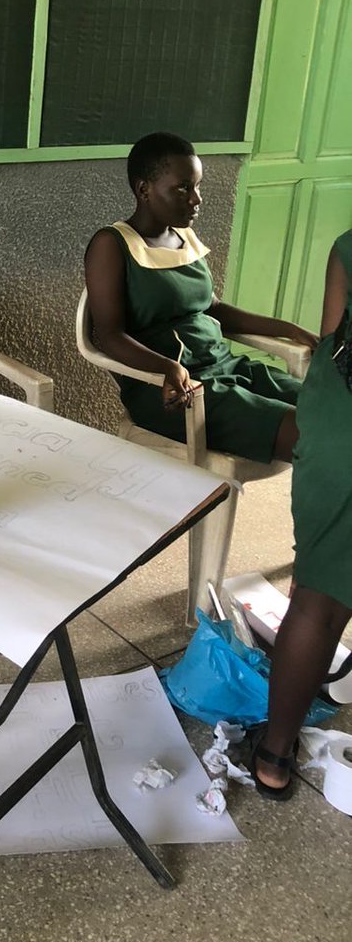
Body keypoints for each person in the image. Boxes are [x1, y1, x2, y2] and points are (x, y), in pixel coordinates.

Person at [83, 131, 318, 464]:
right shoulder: (112, 244)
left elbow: (213, 308)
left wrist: (288, 329)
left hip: (226, 367)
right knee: (313, 433)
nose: (196, 199)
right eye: (183, 188)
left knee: (333, 407)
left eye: (197, 186)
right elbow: (109, 336)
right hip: (170, 389)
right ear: (144, 190)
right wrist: (166, 367)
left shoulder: (184, 237)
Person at [250, 230, 352, 799]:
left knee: (319, 599)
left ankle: (274, 754)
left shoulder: (348, 246)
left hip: (343, 427)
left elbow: (335, 344)